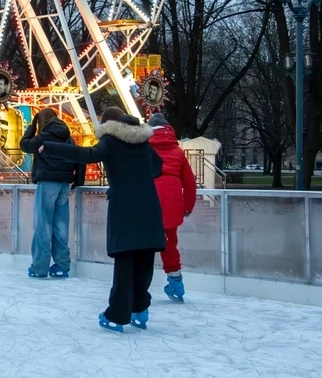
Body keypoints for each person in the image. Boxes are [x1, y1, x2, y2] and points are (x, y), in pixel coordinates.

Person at [39, 107, 164, 333]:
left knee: (125, 260)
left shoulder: (111, 141)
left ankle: (117, 315)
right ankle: (140, 309)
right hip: (149, 207)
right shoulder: (144, 142)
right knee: (145, 258)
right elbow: (157, 167)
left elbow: (86, 156)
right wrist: (136, 177)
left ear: (108, 125)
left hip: (125, 207)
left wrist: (49, 147)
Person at [19, 108, 84, 279]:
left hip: (47, 182)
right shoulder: (68, 138)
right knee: (61, 226)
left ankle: (40, 267)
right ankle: (62, 266)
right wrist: (78, 181)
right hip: (64, 184)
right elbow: (79, 157)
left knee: (43, 225)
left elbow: (24, 145)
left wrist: (31, 128)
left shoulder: (44, 137)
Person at [147, 113, 196, 302]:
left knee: (144, 244)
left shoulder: (145, 146)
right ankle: (176, 283)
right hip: (172, 200)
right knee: (170, 243)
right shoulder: (178, 151)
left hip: (149, 199)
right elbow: (190, 182)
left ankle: (140, 286)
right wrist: (188, 205)